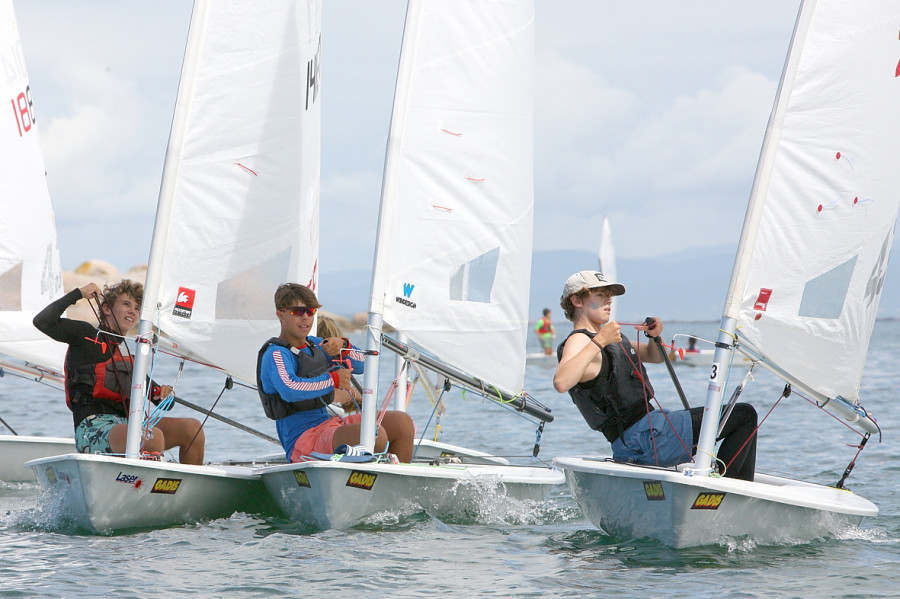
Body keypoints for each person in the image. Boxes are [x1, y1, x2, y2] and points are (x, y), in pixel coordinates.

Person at [552, 270, 757, 480]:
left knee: (737, 416)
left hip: (644, 436)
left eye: (609, 295)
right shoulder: (580, 340)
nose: (608, 300)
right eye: (600, 295)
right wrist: (600, 341)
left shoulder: (606, 339)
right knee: (744, 415)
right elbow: (561, 381)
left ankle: (728, 485)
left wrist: (654, 337)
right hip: (643, 438)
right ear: (576, 300)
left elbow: (655, 356)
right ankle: (727, 491)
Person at [33, 280, 205, 464]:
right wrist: (78, 294)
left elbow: (162, 402)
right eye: (126, 304)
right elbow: (43, 321)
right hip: (93, 428)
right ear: (107, 309)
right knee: (153, 437)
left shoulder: (126, 356)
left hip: (131, 427)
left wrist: (165, 393)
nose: (133, 311)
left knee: (193, 429)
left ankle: (186, 487)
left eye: (137, 308)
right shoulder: (86, 335)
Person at [256, 283, 415, 463]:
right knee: (376, 437)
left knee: (403, 424)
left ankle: (392, 482)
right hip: (303, 439)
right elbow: (290, 389)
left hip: (328, 426)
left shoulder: (316, 345)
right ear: (280, 314)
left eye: (311, 311)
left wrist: (344, 346)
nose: (305, 318)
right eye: (297, 312)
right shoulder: (276, 354)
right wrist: (333, 379)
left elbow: (365, 364)